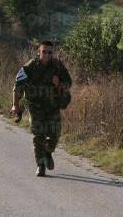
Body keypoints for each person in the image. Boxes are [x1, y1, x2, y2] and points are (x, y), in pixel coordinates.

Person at [11, 41, 72, 177]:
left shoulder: (58, 66)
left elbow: (69, 83)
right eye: (44, 51)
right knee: (39, 135)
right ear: (39, 52)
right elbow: (18, 86)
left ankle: (48, 152)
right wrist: (15, 105)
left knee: (55, 135)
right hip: (35, 106)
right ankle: (40, 165)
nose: (47, 55)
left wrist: (60, 84)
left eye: (50, 52)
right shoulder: (30, 66)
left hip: (52, 106)